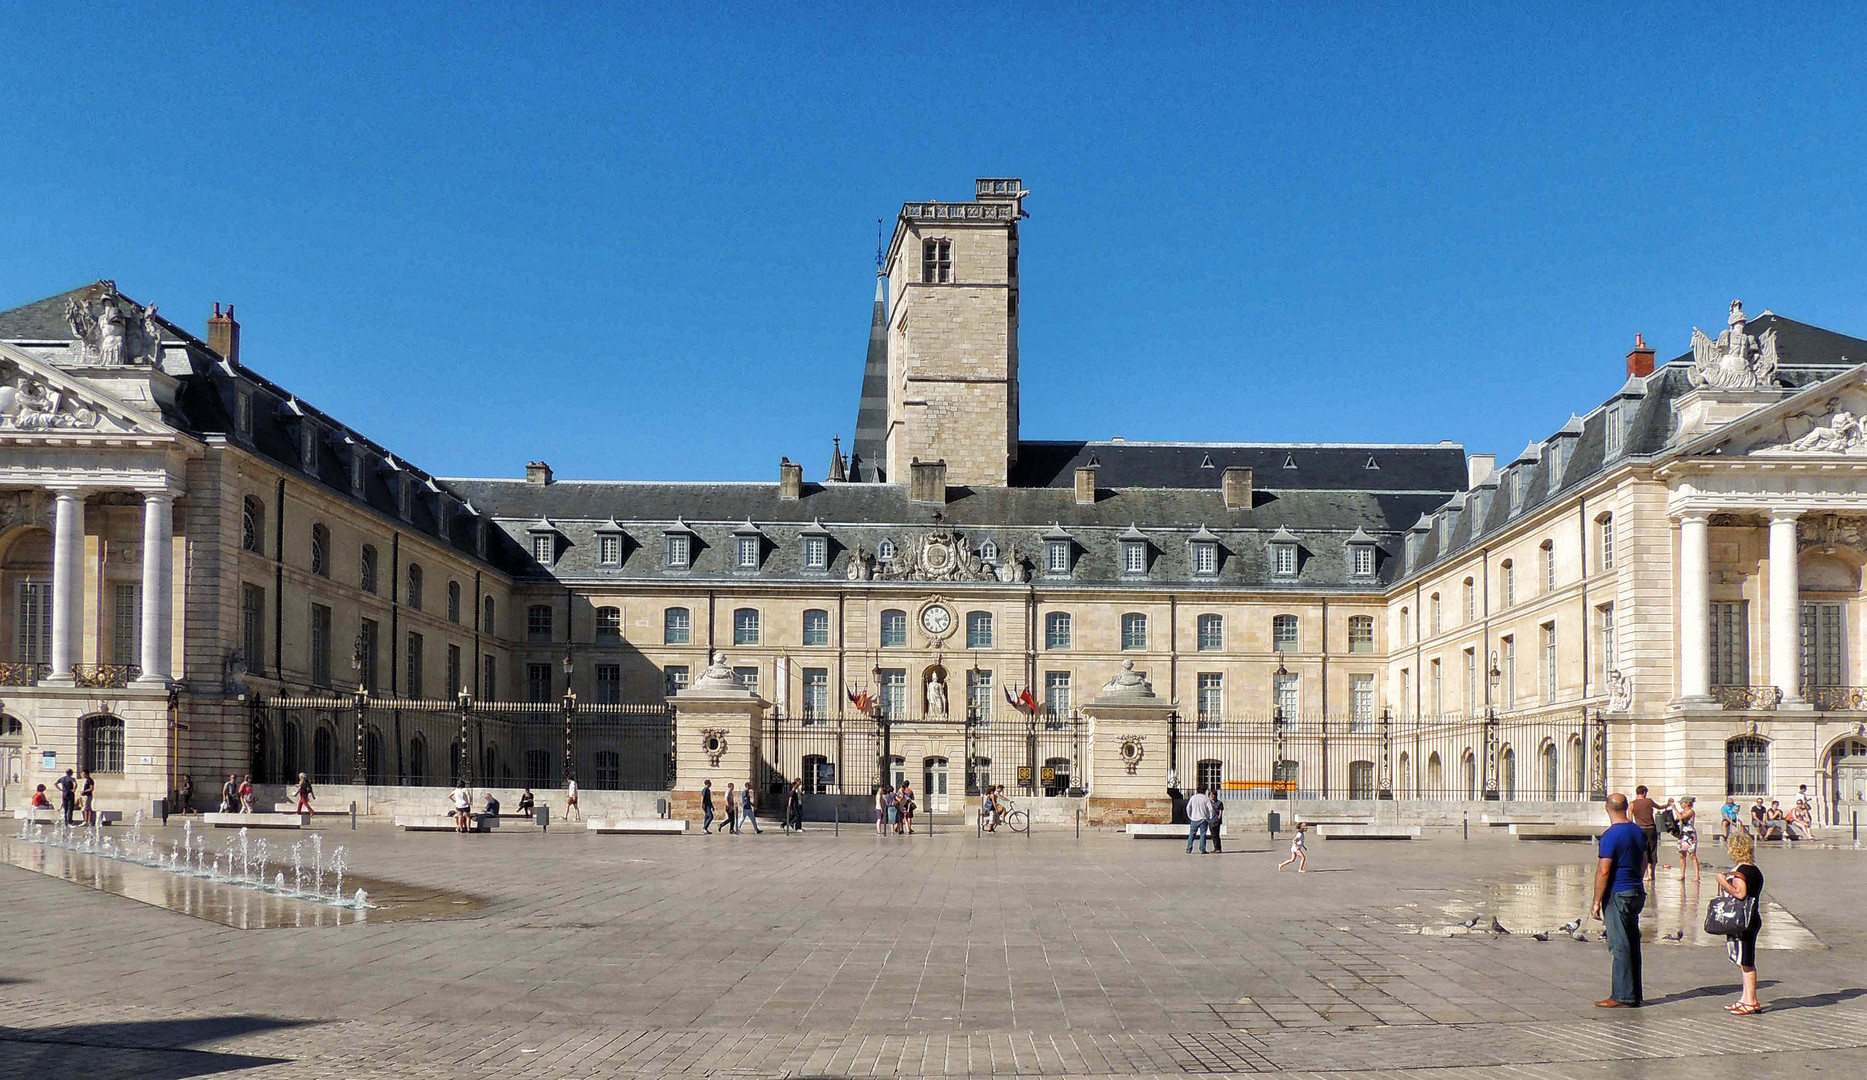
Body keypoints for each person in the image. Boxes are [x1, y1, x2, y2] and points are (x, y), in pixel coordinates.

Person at [1592, 792, 1648, 1008]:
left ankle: (1621, 995)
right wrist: (1638, 879)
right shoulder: (1637, 831)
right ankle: (1634, 993)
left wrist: (1597, 901)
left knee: (1619, 945)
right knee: (1633, 942)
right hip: (1635, 890)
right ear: (1627, 808)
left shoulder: (1611, 835)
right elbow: (1644, 860)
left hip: (1618, 892)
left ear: (1607, 809)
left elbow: (1604, 870)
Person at [1718, 831, 1766, 1015]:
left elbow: (1740, 893)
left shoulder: (1742, 871)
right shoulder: (1754, 870)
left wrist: (1723, 882)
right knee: (1744, 961)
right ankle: (1745, 998)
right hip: (1752, 917)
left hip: (1744, 920)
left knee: (1746, 961)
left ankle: (1752, 1001)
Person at [1629, 785, 1660, 883]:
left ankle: (1645, 874)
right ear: (1644, 793)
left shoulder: (1632, 804)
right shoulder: (1649, 801)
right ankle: (1652, 874)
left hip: (1639, 829)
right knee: (1653, 850)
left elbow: (1630, 819)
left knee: (1643, 851)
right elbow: (1659, 807)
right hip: (1651, 828)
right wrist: (1668, 804)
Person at [1674, 795, 1701, 882]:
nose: (1681, 805)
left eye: (1682, 803)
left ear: (1687, 803)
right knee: (1682, 854)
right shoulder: (1682, 811)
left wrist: (1674, 808)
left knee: (1692, 854)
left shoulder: (1691, 812)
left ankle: (1697, 875)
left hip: (1689, 834)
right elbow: (1677, 818)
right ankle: (1682, 874)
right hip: (1682, 834)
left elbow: (1681, 818)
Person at [1184, 787, 1212, 854]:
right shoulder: (1206, 798)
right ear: (1204, 791)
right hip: (1203, 819)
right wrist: (1209, 817)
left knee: (1192, 834)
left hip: (1194, 818)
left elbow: (1188, 808)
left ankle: (1189, 848)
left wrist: (1190, 816)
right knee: (1203, 834)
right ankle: (1202, 849)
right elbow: (1210, 809)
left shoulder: (1193, 798)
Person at [1207, 788, 1225, 854]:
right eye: (1211, 795)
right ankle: (1215, 847)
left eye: (1213, 795)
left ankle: (1218, 848)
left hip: (1216, 821)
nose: (1212, 797)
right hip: (1210, 821)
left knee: (1216, 835)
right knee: (1212, 835)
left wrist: (1219, 818)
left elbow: (1221, 812)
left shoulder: (1219, 803)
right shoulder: (1209, 803)